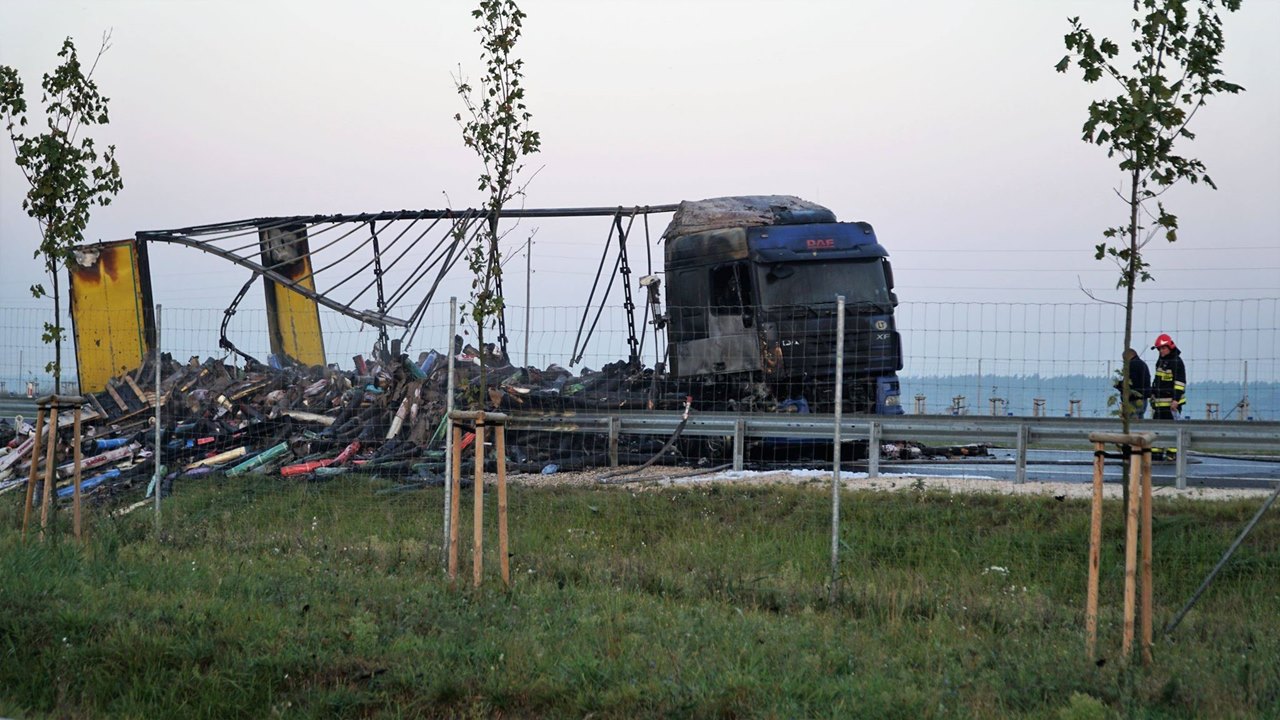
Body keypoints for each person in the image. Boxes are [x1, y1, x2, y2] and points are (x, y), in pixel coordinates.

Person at [1150, 333, 1187, 420]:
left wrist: (1176, 400)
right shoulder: (1161, 361)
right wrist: (1153, 392)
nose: (1161, 351)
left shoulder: (1176, 361)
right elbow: (1157, 380)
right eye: (1159, 349)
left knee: (1170, 430)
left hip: (1171, 404)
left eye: (1163, 348)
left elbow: (1180, 383)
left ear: (1170, 347)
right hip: (1159, 404)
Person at [1114, 348, 1151, 419]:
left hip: (1134, 400)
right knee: (1139, 421)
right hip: (1143, 399)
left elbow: (1130, 384)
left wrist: (1119, 385)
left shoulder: (1132, 365)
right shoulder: (1143, 364)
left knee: (1132, 423)